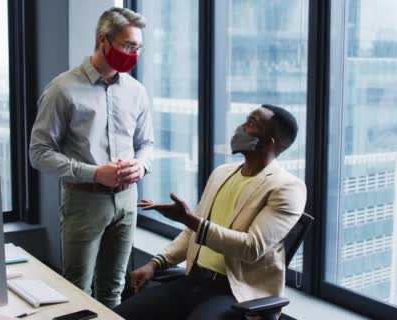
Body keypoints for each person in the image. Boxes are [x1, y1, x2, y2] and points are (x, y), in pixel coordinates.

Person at [114, 105, 306, 320]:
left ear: (268, 142)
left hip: (235, 294)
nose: (240, 127)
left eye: (251, 124)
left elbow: (251, 247)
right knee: (115, 316)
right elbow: (192, 233)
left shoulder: (287, 188)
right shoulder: (221, 174)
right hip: (193, 281)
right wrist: (155, 263)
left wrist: (191, 221)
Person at [29, 7, 153, 308]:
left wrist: (142, 164)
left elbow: (146, 143)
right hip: (83, 201)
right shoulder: (63, 89)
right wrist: (95, 173)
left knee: (114, 291)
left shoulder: (136, 91)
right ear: (103, 40)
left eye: (138, 47)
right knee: (76, 293)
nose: (134, 54)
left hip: (127, 202)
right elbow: (39, 154)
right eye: (128, 46)